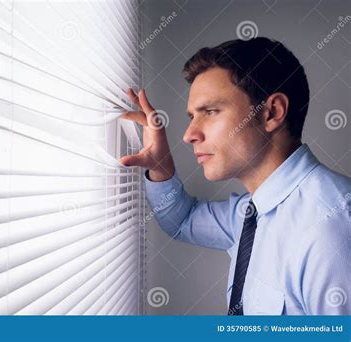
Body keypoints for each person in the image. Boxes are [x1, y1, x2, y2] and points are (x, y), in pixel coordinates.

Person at [119, 37, 350, 315]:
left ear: (271, 112)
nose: (189, 134)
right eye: (193, 116)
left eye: (211, 111)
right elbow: (182, 220)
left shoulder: (331, 226)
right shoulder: (249, 212)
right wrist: (161, 165)